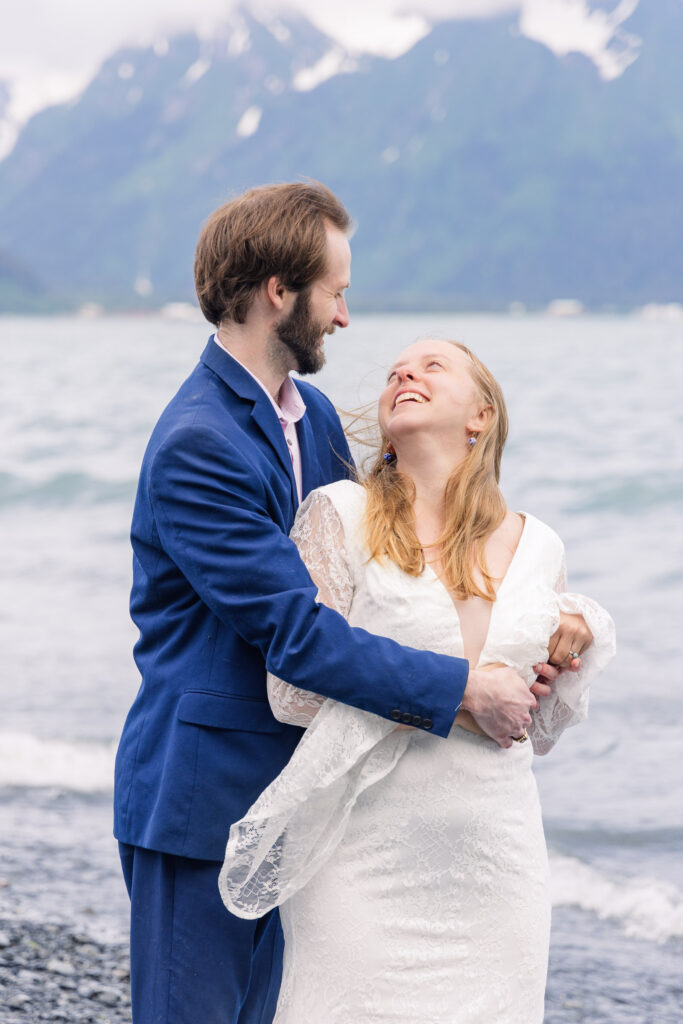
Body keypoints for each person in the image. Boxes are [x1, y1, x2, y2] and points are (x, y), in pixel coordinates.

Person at [114, 181, 589, 1024]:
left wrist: (551, 617)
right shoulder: (200, 443)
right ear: (279, 292)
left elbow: (407, 559)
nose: (342, 317)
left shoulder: (314, 418)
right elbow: (298, 635)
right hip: (207, 798)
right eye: (335, 291)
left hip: (316, 802)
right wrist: (461, 687)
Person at [220, 338, 616, 1023]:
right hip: (363, 859)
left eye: (433, 366)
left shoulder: (539, 545)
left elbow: (540, 727)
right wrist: (452, 698)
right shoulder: (338, 514)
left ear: (480, 416)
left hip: (497, 861)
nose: (405, 372)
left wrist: (576, 632)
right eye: (395, 371)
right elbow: (290, 693)